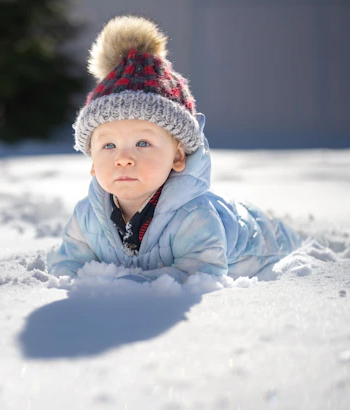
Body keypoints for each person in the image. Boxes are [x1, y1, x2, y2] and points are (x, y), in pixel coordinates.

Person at [47, 15, 300, 282]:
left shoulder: (195, 217)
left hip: (264, 244)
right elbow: (69, 263)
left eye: (142, 143)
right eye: (108, 145)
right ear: (93, 163)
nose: (123, 158)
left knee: (278, 233)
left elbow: (201, 274)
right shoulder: (87, 216)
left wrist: (129, 287)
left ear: (177, 156)